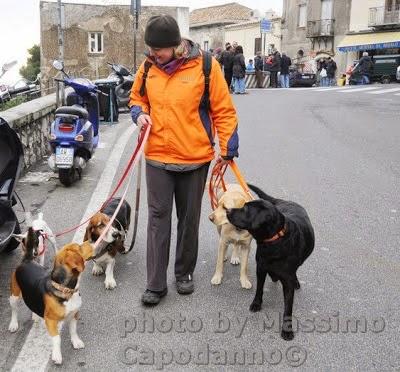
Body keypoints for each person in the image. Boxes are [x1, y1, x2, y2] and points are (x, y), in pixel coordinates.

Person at [128, 15, 239, 306]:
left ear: (176, 44)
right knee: (157, 220)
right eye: (151, 49)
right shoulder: (148, 67)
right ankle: (155, 284)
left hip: (194, 158)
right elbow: (136, 98)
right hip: (157, 158)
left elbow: (223, 110)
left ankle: (184, 273)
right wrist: (139, 115)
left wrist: (227, 148)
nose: (154, 55)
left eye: (159, 50)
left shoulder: (205, 66)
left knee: (189, 220)